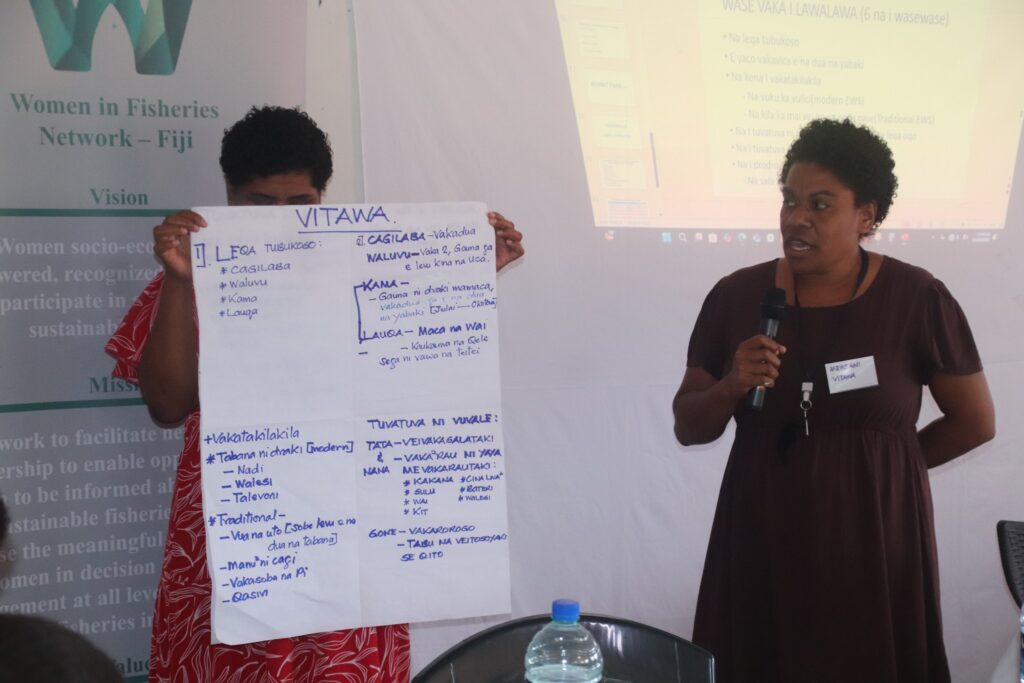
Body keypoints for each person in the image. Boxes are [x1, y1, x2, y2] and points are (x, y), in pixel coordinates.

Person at [105, 105, 524, 683]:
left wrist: (464, 272)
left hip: (353, 524)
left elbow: (415, 369)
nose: (282, 220)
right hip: (236, 528)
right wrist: (180, 281)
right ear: (228, 195)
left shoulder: (369, 266)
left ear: (322, 196)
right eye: (261, 204)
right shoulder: (193, 270)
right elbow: (167, 406)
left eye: (300, 204)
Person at [672, 118, 994, 683]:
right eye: (789, 200)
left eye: (820, 204)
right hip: (763, 529)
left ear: (866, 216)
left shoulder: (916, 297)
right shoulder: (737, 296)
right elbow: (688, 426)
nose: (797, 218)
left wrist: (886, 469)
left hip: (874, 537)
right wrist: (730, 385)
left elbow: (975, 422)